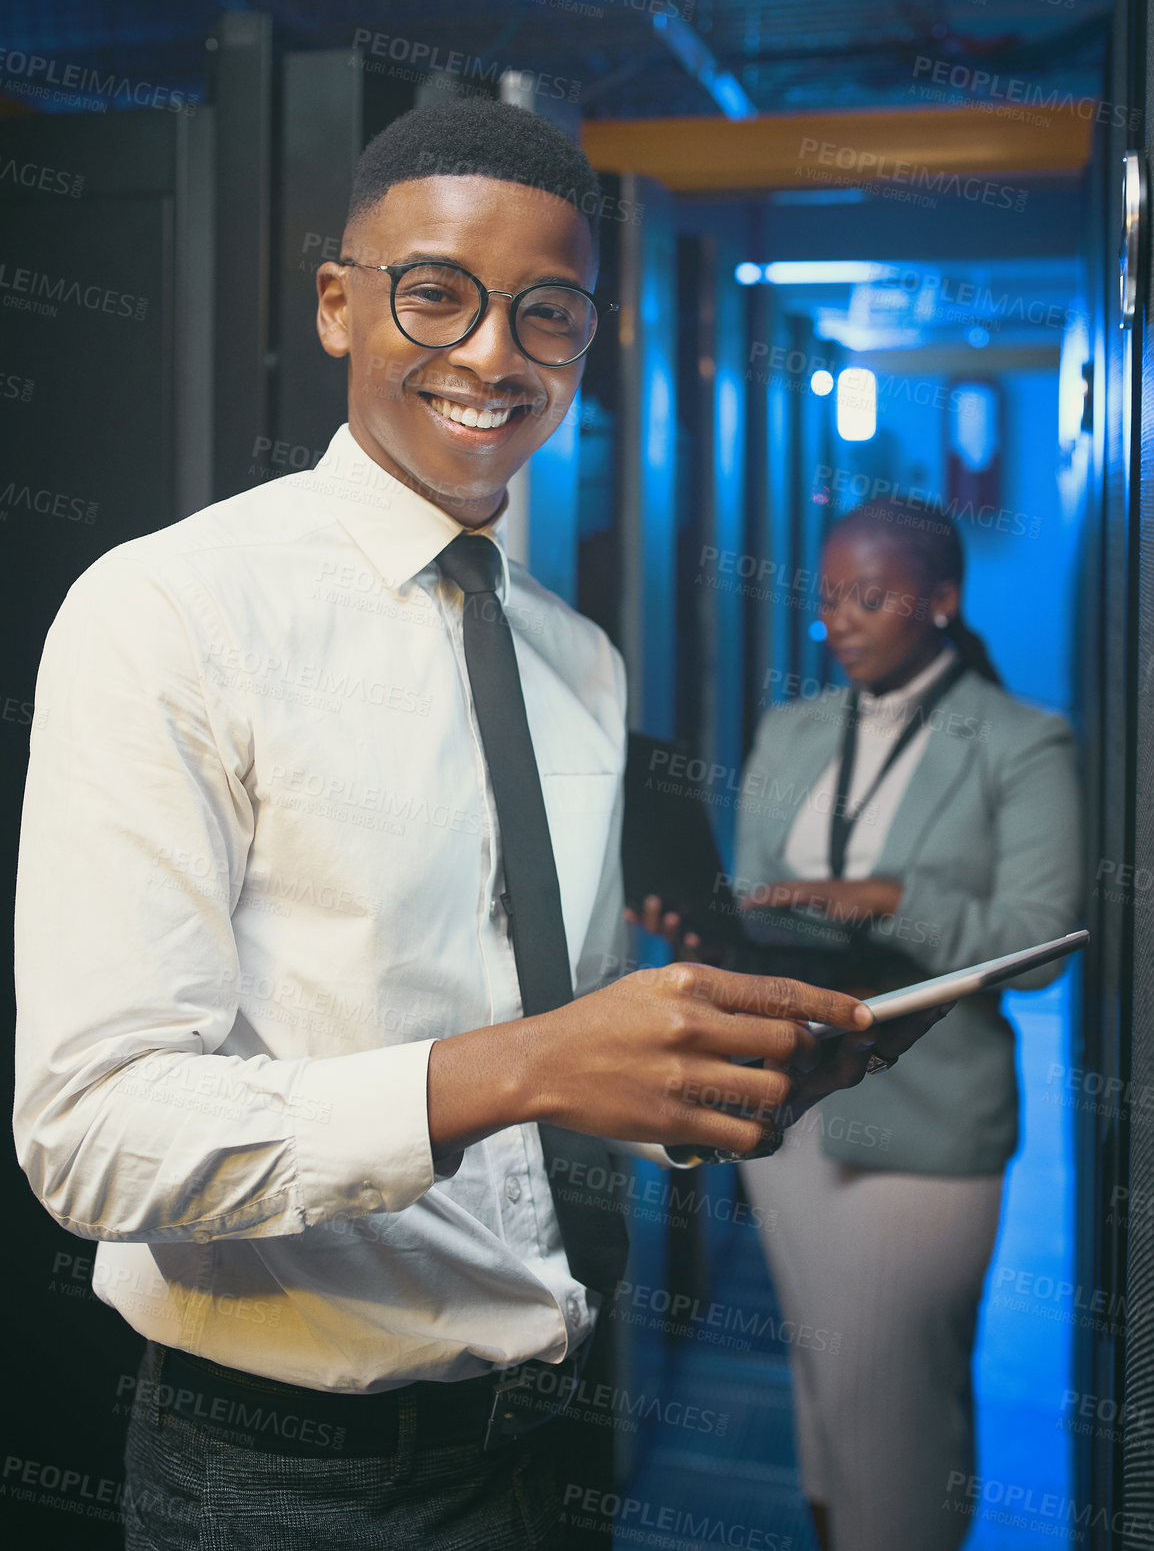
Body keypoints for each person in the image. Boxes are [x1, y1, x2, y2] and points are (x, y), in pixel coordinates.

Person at [12, 101, 939, 1551]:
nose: (493, 352)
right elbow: (93, 1136)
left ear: (586, 340)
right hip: (282, 1480)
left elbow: (540, 1069)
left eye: (546, 312)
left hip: (544, 1438)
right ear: (338, 304)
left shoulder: (575, 659)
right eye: (434, 292)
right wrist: (519, 1067)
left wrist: (703, 1084)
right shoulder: (172, 613)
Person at [733, 493, 1083, 1551]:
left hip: (926, 1133)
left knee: (899, 1405)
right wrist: (699, 921)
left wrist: (892, 898)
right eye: (828, 595)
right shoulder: (787, 729)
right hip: (787, 1118)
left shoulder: (1022, 741)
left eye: (869, 596)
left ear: (939, 599)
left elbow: (1039, 935)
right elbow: (756, 895)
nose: (837, 619)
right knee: (827, 1395)